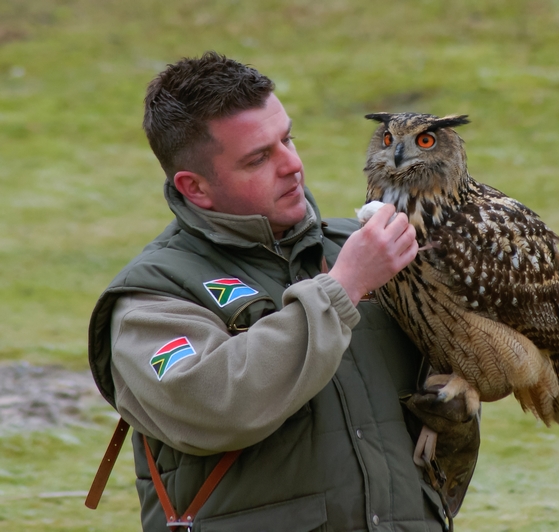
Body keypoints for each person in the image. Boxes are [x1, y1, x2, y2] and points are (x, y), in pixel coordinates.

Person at [87, 51, 479, 531]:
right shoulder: (153, 296)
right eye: (259, 157)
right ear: (196, 187)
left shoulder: (362, 248)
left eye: (287, 138)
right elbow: (214, 405)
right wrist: (345, 287)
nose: (292, 165)